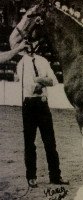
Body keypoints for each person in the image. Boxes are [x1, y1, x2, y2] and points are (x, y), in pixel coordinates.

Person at [15, 42, 69, 188]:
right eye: (27, 44)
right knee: (30, 143)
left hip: (43, 105)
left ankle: (55, 176)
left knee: (50, 142)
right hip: (30, 105)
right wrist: (43, 81)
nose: (30, 46)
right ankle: (31, 177)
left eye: (32, 43)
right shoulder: (21, 64)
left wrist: (39, 80)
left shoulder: (43, 61)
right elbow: (31, 87)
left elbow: (53, 81)